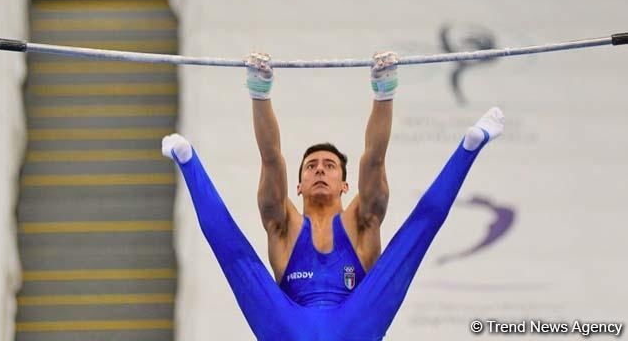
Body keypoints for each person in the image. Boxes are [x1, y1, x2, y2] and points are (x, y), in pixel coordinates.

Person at [162, 51, 504, 341]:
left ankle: (468, 146)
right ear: (297, 186)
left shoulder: (361, 221)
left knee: (417, 231)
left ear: (345, 184)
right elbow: (271, 157)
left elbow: (374, 157)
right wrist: (260, 92)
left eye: (329, 166)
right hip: (290, 323)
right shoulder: (283, 224)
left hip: (355, 320)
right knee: (234, 253)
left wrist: (383, 91)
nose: (320, 170)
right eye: (311, 166)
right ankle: (188, 159)